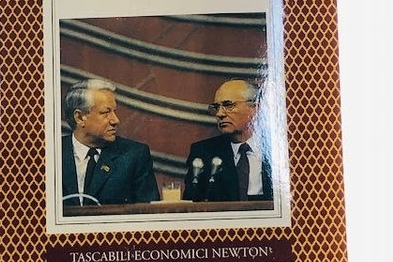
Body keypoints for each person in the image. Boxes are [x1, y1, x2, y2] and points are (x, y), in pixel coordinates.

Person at [62, 78, 160, 208]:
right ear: (80, 117)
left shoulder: (134, 155)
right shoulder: (51, 153)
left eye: (114, 111)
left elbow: (149, 212)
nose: (115, 120)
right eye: (105, 112)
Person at [183, 79, 273, 202]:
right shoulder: (204, 153)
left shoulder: (277, 150)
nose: (219, 114)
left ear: (255, 108)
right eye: (216, 107)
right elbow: (192, 203)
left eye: (228, 105)